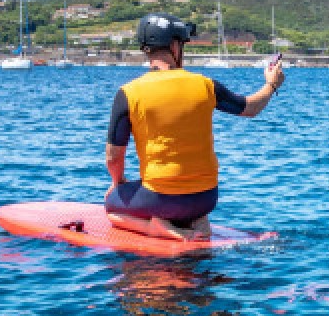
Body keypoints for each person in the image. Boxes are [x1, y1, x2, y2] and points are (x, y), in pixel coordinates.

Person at [104, 13, 285, 241]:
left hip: (160, 199)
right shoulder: (205, 85)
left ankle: (155, 228)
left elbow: (113, 157)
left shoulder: (128, 93)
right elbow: (251, 107)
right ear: (174, 46)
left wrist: (118, 183)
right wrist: (271, 84)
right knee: (186, 201)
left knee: (111, 207)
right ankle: (197, 221)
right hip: (206, 199)